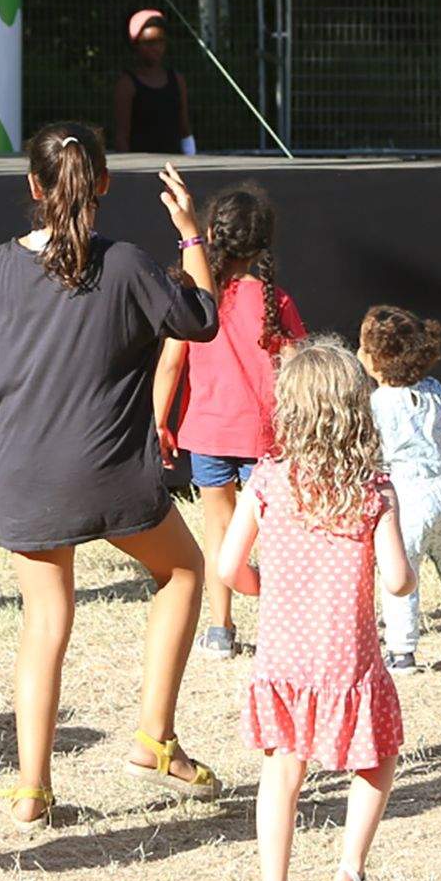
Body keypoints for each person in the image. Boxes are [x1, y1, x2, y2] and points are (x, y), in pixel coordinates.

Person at [0, 123, 224, 827]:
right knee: (185, 572)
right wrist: (192, 236)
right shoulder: (132, 264)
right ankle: (154, 739)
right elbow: (202, 319)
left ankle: (31, 790)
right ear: (104, 184)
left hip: (23, 477)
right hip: (108, 470)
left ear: (33, 187)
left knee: (44, 620)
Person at [214, 337, 411, 881]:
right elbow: (398, 581)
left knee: (282, 773)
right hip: (347, 661)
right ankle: (350, 867)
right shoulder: (374, 491)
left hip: (283, 659)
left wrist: (261, 591)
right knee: (376, 760)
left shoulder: (268, 482)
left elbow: (227, 568)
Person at [154, 182, 304, 661]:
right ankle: (281, 626)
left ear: (214, 237)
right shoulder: (276, 301)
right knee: (277, 533)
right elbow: (300, 369)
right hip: (267, 438)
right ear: (262, 245)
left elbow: (170, 365)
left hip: (208, 433)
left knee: (218, 530)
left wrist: (159, 422)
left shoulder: (198, 300)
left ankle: (221, 629)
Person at [357, 304, 441, 673]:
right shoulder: (433, 391)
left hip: (403, 499)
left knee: (401, 574)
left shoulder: (374, 404)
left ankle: (402, 650)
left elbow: (364, 450)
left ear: (375, 361)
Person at [111, 7, 196, 155]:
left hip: (175, 166)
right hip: (142, 168)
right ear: (136, 44)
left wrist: (192, 158)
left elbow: (185, 128)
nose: (156, 48)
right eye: (149, 42)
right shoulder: (127, 84)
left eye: (160, 41)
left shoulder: (177, 79)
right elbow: (121, 136)